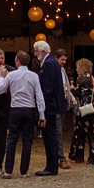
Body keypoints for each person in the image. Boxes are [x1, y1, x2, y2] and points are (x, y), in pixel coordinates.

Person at [0, 51, 45, 178]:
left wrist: (1, 77)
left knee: (12, 139)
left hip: (16, 109)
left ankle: (8, 170)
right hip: (29, 109)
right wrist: (42, 115)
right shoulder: (34, 76)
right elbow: (39, 96)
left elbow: (0, 89)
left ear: (17, 61)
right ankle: (24, 171)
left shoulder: (11, 75)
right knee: (27, 140)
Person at [33, 40, 67, 176]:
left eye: (36, 51)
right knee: (51, 136)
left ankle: (52, 166)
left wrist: (42, 108)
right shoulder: (52, 63)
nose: (35, 54)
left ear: (42, 51)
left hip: (50, 106)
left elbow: (47, 88)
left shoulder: (48, 64)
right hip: (53, 105)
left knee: (50, 136)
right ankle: (51, 164)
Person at [69, 58, 94, 165]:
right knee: (93, 132)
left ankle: (78, 156)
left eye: (78, 67)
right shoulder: (93, 78)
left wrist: (71, 88)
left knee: (80, 131)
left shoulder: (80, 78)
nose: (77, 69)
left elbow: (78, 93)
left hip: (84, 108)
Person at [55, 49, 73, 170]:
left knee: (59, 130)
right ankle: (60, 157)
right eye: (62, 59)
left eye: (65, 60)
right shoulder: (56, 69)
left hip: (63, 102)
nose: (64, 62)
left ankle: (58, 156)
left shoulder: (62, 70)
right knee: (58, 130)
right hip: (58, 103)